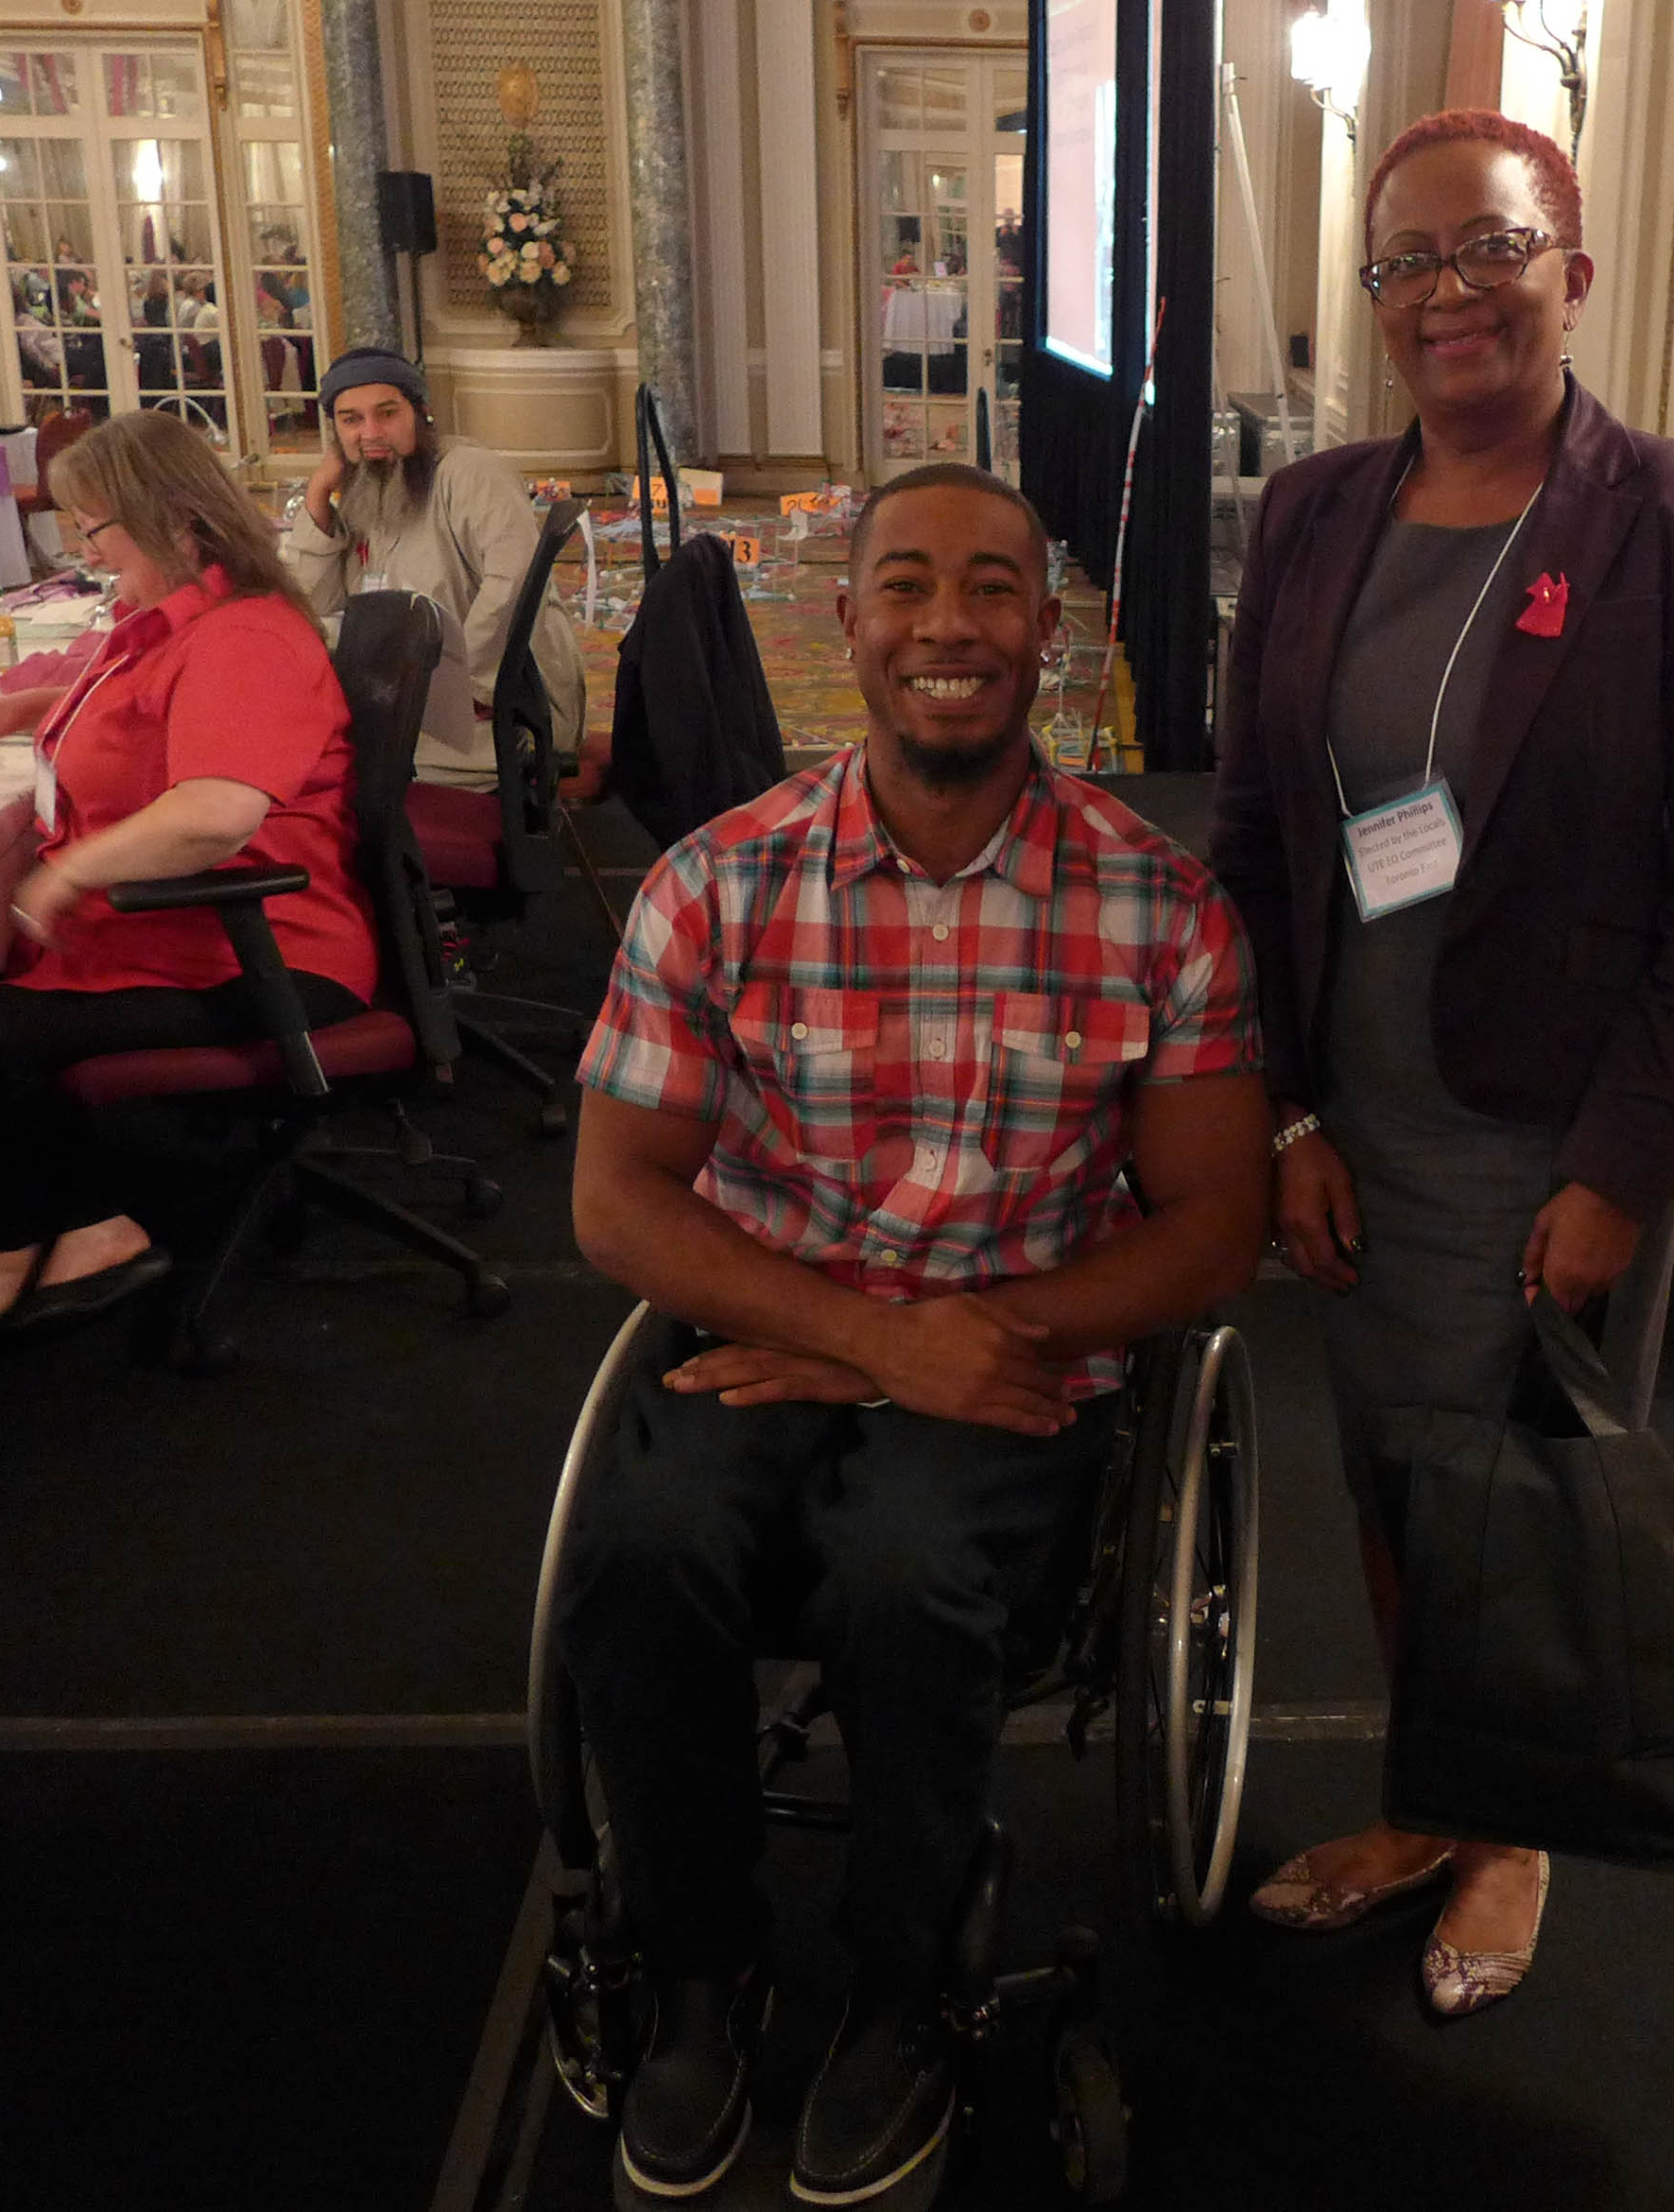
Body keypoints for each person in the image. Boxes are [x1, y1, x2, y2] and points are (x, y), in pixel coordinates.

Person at [557, 463, 1267, 2205]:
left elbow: (1213, 1229)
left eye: (993, 589)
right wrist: (876, 1343)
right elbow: (618, 1202)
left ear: (1049, 632)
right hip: (775, 1321)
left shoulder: (1160, 907)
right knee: (640, 1545)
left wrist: (963, 1338)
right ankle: (696, 1970)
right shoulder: (716, 884)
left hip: (1013, 1357)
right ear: (847, 622)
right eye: (906, 586)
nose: (950, 624)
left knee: (908, 1572)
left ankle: (905, 1987)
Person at [1211, 110, 1674, 2017]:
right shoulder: (1312, 515)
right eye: (1408, 261)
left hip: (1551, 1130)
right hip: (1357, 1115)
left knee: (1521, 1504)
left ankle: (1510, 1833)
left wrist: (1624, 1169)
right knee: (1395, 1481)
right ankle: (1430, 1795)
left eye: (1490, 247)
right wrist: (1288, 1110)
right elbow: (1255, 842)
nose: (1447, 290)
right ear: (1374, 299)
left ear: (1574, 270)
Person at [0, 409, 379, 1361]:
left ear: (175, 522)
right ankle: (69, 1218)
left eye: (95, 528)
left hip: (268, 951)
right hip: (194, 935)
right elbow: (164, 707)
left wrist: (72, 869)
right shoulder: (194, 616)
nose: (84, 550)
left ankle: (59, 1230)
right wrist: (43, 707)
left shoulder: (246, 636)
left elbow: (215, 813)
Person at [279, 346, 592, 792]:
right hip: (409, 694)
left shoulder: (469, 472)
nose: (371, 433)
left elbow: (514, 588)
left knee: (324, 763)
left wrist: (458, 690)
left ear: (420, 413)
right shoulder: (362, 487)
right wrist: (317, 501)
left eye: (387, 413)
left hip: (504, 707)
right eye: (351, 420)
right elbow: (310, 611)